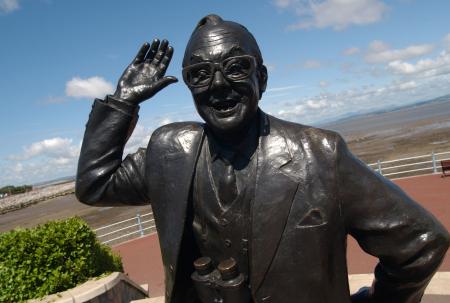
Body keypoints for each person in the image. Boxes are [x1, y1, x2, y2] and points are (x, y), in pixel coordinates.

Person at [76, 14, 449, 303]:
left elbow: (420, 242)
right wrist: (122, 102)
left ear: (263, 78)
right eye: (200, 74)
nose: (219, 85)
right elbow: (95, 185)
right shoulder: (168, 151)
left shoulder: (320, 155)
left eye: (236, 67)